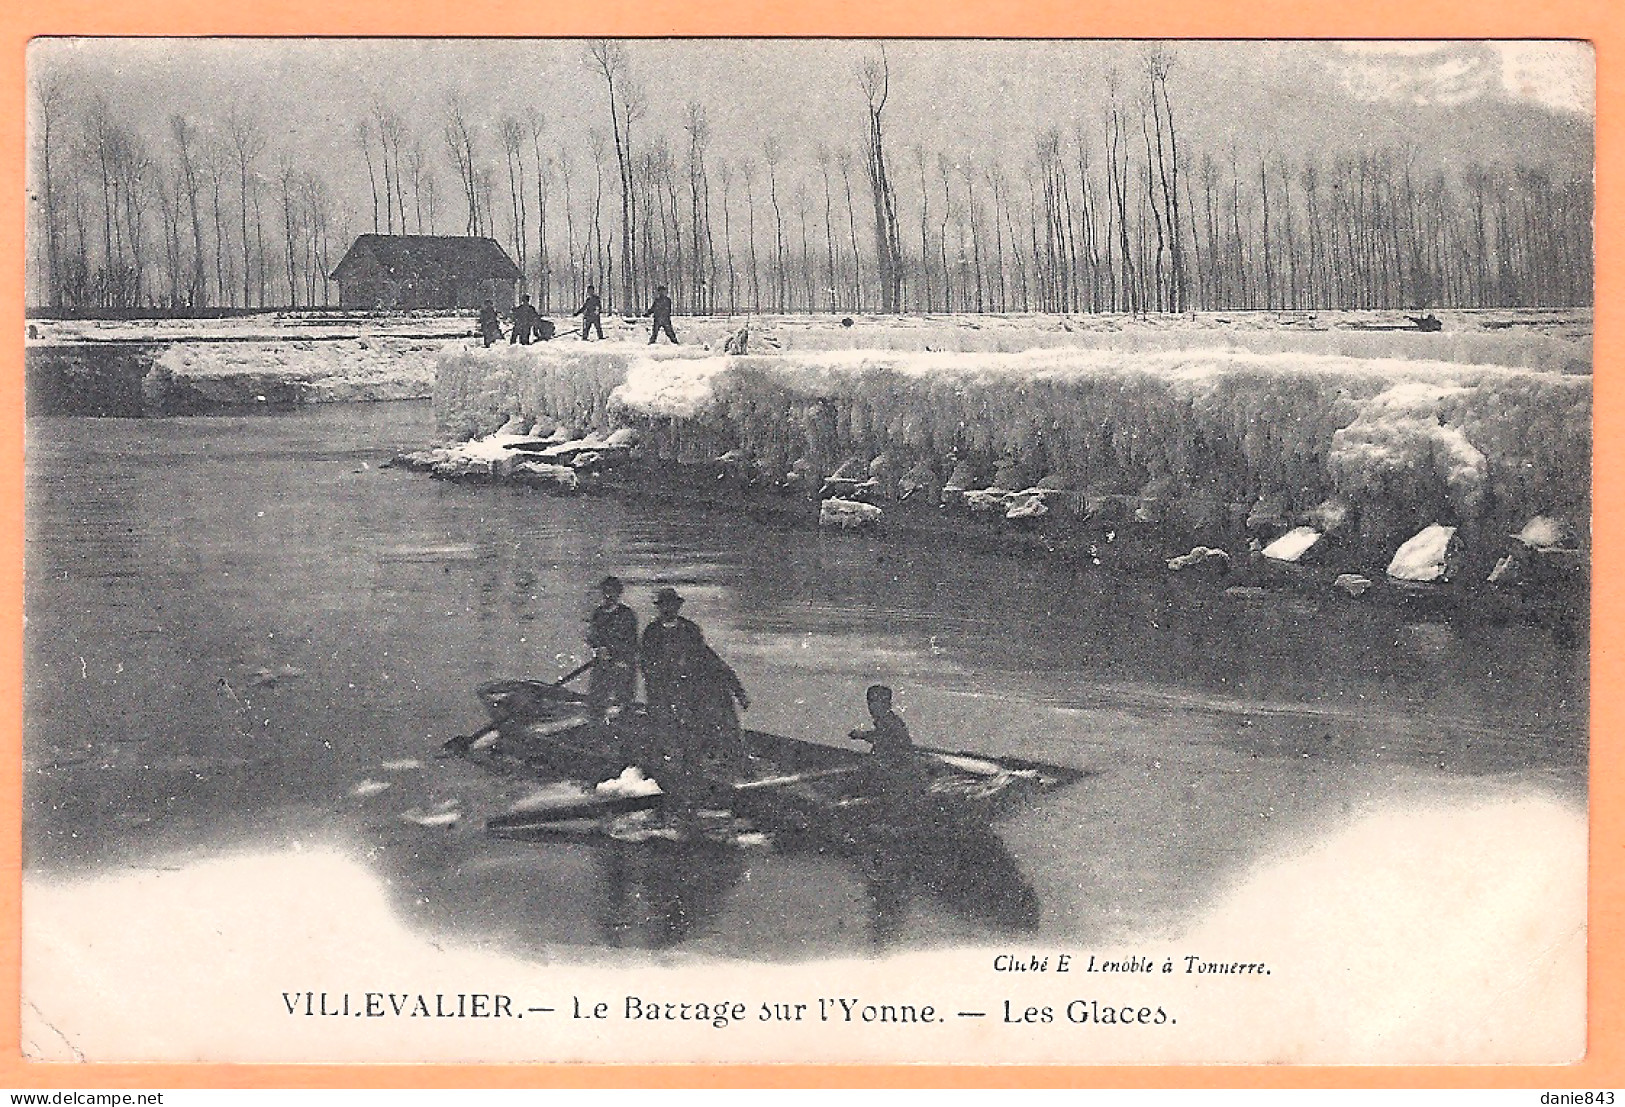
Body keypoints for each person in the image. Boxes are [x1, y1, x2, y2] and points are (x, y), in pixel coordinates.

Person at [640, 587, 750, 765]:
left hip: (690, 686)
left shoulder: (689, 629)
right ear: (660, 608)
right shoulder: (652, 632)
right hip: (663, 688)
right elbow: (648, 667)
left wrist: (739, 692)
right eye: (665, 606)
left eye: (672, 605)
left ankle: (728, 753)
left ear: (678, 607)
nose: (669, 609)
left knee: (719, 700)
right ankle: (674, 758)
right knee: (669, 722)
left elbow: (710, 658)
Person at [584, 575, 638, 710]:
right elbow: (592, 637)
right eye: (605, 592)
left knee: (624, 699)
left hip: (622, 663)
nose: (608, 595)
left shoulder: (627, 614)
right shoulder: (598, 613)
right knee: (597, 697)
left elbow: (632, 641)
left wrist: (619, 657)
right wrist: (598, 649)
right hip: (602, 664)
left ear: (618, 593)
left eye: (611, 592)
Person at [848, 685, 913, 761]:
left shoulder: (889, 722)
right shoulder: (888, 720)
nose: (871, 706)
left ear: (887, 704)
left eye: (876, 702)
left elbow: (882, 738)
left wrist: (862, 735)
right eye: (870, 702)